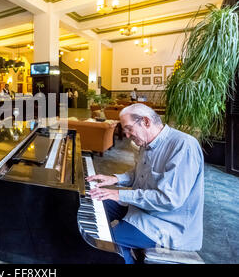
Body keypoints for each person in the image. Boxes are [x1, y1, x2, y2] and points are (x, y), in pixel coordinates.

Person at [86, 103, 204, 264]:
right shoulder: (146, 142)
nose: (126, 135)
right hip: (142, 208)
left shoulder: (183, 145)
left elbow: (168, 199)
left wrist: (119, 193)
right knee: (95, 202)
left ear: (146, 122)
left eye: (128, 128)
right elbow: (139, 174)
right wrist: (115, 179)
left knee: (104, 241)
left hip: (165, 222)